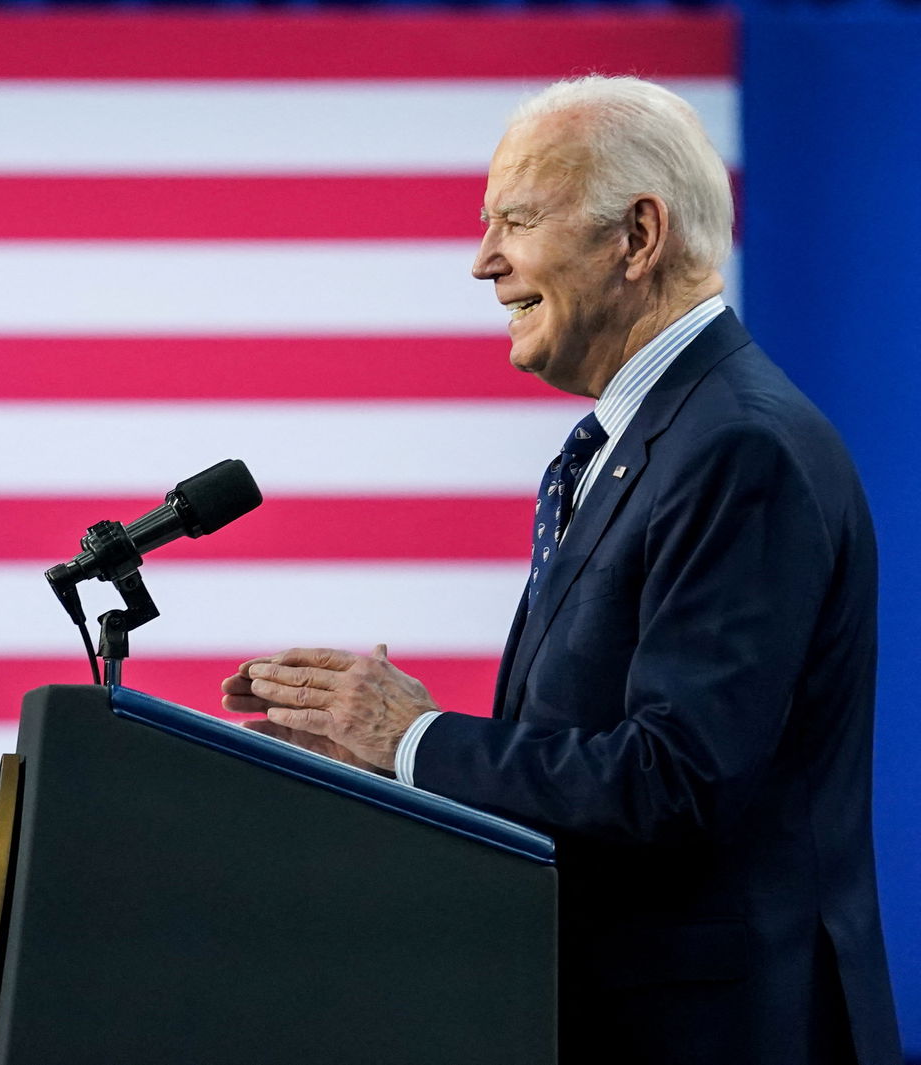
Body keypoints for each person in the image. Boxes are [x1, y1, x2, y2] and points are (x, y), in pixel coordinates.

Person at [222, 76, 901, 1065]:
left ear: (636, 237)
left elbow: (674, 782)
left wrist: (414, 737)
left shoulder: (737, 448)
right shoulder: (624, 447)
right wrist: (394, 765)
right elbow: (585, 759)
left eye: (516, 220)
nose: (482, 261)